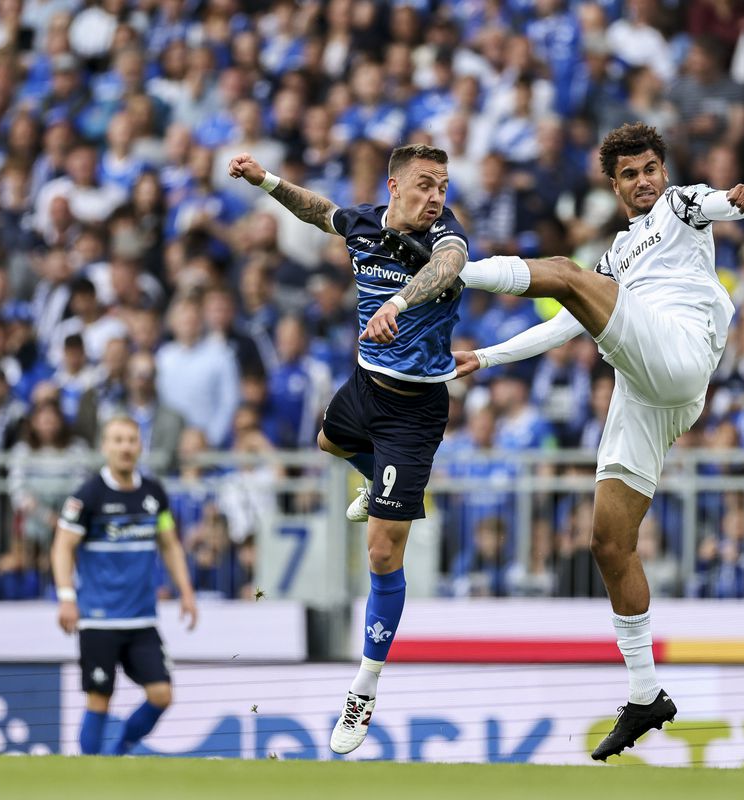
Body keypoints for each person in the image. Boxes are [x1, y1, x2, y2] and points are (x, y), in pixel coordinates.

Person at [433, 123, 744, 759]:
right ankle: (646, 695)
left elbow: (723, 200)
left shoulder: (680, 206)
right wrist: (491, 356)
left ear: (663, 171)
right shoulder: (616, 256)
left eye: (651, 168)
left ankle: (451, 267)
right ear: (614, 187)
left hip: (682, 352)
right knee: (608, 543)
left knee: (563, 269)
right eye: (631, 175)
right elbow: (568, 324)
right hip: (646, 388)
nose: (645, 181)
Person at [228, 143, 469, 755]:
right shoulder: (363, 224)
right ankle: (378, 481)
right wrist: (267, 181)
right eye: (423, 184)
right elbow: (319, 212)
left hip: (414, 412)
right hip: (365, 385)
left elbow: (447, 266)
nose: (435, 196)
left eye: (441, 185)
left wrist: (398, 301)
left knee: (383, 553)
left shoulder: (446, 235)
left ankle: (363, 688)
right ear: (393, 186)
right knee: (327, 439)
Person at [51, 416, 198, 756]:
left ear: (140, 446)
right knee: (100, 698)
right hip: (99, 619)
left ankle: (119, 752)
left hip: (142, 620)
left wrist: (186, 593)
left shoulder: (153, 494)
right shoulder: (88, 495)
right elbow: (62, 546)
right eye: (117, 440)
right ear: (105, 447)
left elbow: (170, 544)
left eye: (131, 440)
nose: (125, 447)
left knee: (162, 694)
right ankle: (88, 770)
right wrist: (66, 597)